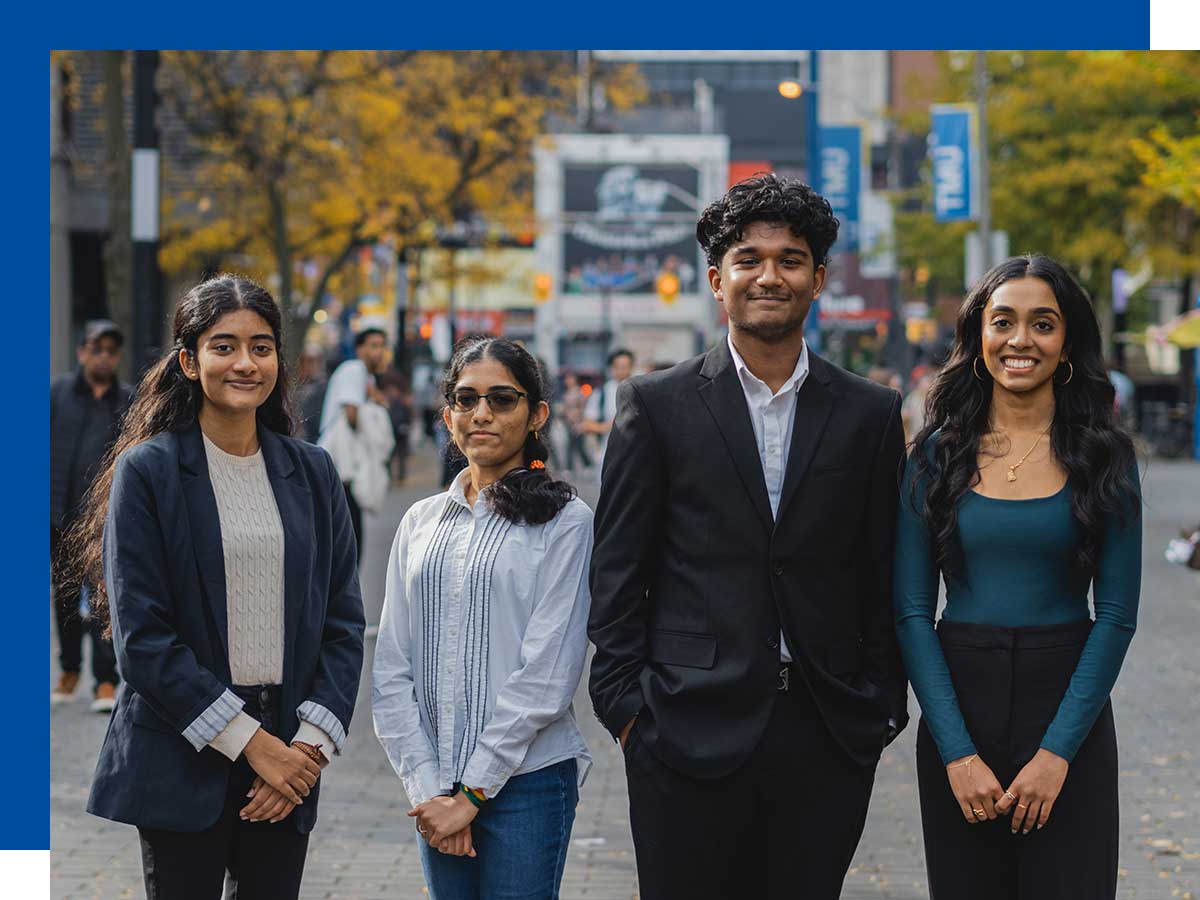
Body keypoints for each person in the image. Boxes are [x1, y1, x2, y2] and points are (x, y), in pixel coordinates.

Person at [587, 173, 909, 900]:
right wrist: (628, 711)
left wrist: (881, 705)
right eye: (749, 259)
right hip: (683, 725)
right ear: (716, 279)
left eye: (791, 260)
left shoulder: (870, 413)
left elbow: (884, 566)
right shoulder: (656, 404)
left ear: (819, 279)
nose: (770, 275)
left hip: (826, 728)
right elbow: (616, 569)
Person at [67, 274, 366, 900]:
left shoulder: (312, 471)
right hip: (182, 751)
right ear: (189, 360)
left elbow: (342, 623)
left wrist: (302, 753)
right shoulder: (148, 471)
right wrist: (255, 747)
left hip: (289, 751)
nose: (244, 362)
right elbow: (144, 640)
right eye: (223, 345)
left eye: (261, 346)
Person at [895, 255, 1141, 900]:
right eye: (1003, 321)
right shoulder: (933, 456)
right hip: (961, 708)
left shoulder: (1104, 457)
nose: (1021, 340)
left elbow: (1116, 615)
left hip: (1070, 711)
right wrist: (955, 752)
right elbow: (911, 611)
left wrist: (1058, 754)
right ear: (979, 336)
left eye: (1043, 324)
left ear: (1067, 344)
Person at [373, 336, 592, 900]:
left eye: (502, 399)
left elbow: (548, 674)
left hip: (528, 783)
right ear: (447, 415)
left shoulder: (565, 522)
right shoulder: (421, 522)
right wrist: (430, 789)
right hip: (434, 783)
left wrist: (470, 795)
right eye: (466, 400)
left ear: (537, 414)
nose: (482, 414)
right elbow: (393, 666)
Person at [50, 319, 132, 711]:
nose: (103, 356)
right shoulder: (58, 393)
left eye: (111, 350)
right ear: (82, 351)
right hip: (60, 514)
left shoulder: (128, 400)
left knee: (104, 598)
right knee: (65, 599)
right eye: (96, 348)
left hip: (106, 516)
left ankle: (105, 680)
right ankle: (69, 670)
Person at [318, 327, 390, 561]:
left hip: (346, 469)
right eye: (372, 345)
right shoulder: (354, 370)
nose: (378, 352)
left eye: (381, 346)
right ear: (359, 349)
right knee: (349, 541)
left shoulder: (366, 377)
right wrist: (376, 404)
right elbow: (351, 413)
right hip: (340, 468)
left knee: (350, 539)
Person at [581, 348, 634, 470]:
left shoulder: (639, 389)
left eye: (626, 366)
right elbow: (587, 424)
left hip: (634, 456)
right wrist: (611, 426)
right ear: (612, 368)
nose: (623, 370)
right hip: (608, 455)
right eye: (619, 366)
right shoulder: (602, 393)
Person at [293, 346, 328, 444]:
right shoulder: (295, 390)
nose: (313, 365)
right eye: (308, 361)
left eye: (316, 361)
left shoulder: (327, 389)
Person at [559, 371, 592, 474]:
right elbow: (565, 407)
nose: (567, 381)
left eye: (570, 379)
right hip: (568, 422)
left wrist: (579, 419)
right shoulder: (566, 392)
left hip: (578, 422)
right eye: (566, 379)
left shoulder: (579, 392)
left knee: (579, 445)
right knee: (570, 444)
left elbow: (583, 408)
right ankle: (570, 467)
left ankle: (587, 465)